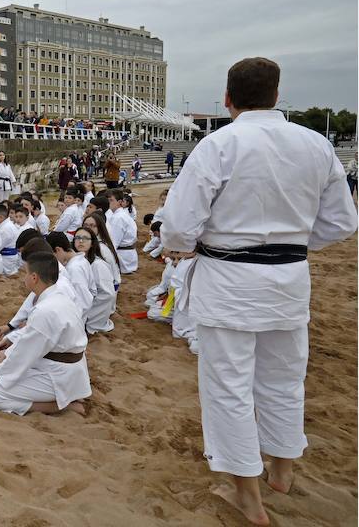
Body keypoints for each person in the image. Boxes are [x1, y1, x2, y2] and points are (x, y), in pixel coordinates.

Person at [161, 57, 357, 526]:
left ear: (227, 99)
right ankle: (281, 472)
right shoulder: (316, 145)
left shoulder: (219, 144)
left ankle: (248, 497)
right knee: (284, 380)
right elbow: (343, 222)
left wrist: (186, 248)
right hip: (289, 280)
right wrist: (287, 243)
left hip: (229, 280)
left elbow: (178, 224)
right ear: (276, 95)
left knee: (229, 387)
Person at [0, 252, 90, 416]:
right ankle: (67, 397)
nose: (24, 278)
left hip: (58, 375)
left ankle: (62, 406)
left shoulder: (45, 310)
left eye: (25, 273)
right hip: (69, 368)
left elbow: (26, 352)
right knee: (5, 364)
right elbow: (32, 336)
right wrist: (7, 352)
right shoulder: (60, 296)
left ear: (34, 277)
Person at [73, 227, 116, 335]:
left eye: (85, 238)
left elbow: (107, 295)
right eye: (77, 238)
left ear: (92, 243)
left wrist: (90, 319)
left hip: (91, 313)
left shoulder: (98, 265)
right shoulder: (76, 261)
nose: (81, 241)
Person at [47, 231, 95, 314]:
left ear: (58, 250)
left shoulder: (74, 269)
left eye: (52, 256)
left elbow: (83, 303)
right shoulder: (80, 260)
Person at [107, 189, 138, 274]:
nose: (109, 202)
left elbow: (113, 243)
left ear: (119, 202)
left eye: (111, 200)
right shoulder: (121, 215)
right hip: (128, 256)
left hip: (123, 259)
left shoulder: (118, 218)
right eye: (108, 200)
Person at [0, 205, 21, 276]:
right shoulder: (7, 225)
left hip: (6, 260)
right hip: (10, 258)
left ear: (0, 217)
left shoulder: (5, 228)